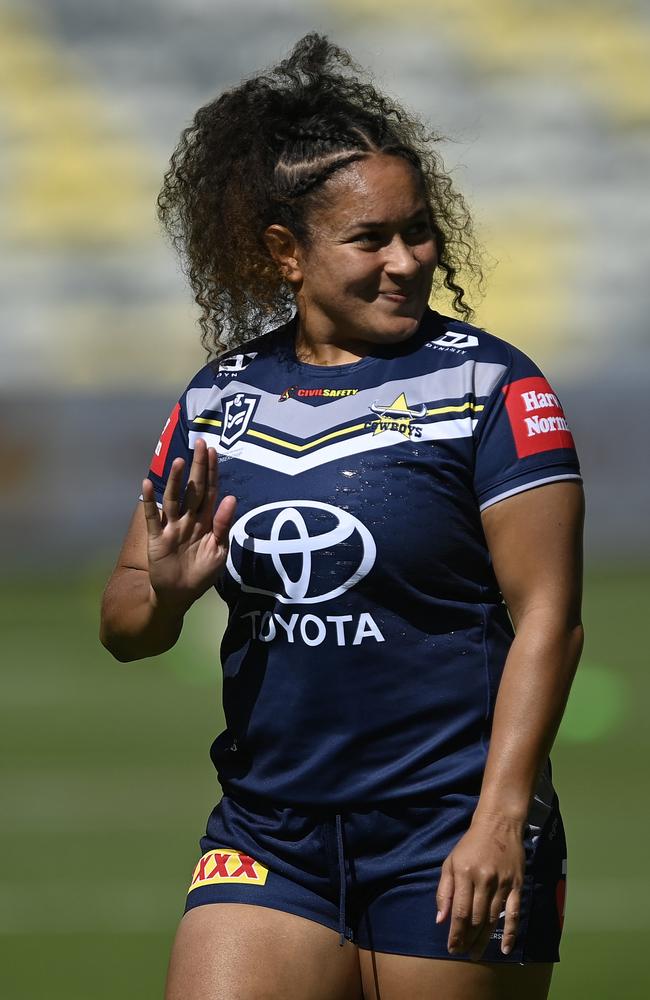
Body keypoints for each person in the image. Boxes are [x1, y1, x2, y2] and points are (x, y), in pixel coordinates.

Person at [100, 33, 584, 1000]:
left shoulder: (491, 383)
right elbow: (126, 626)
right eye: (372, 239)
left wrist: (498, 820)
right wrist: (166, 589)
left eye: (419, 231)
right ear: (287, 252)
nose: (407, 261)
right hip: (269, 828)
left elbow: (550, 621)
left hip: (447, 826)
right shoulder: (217, 400)